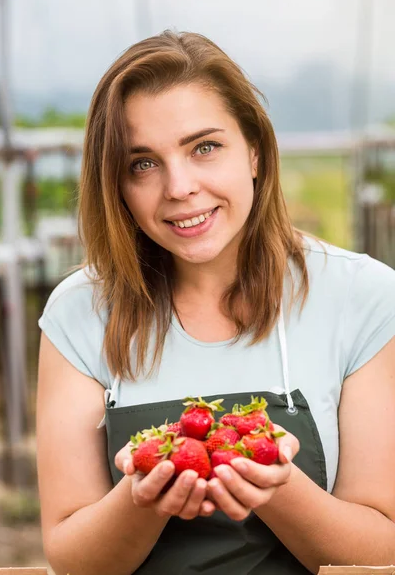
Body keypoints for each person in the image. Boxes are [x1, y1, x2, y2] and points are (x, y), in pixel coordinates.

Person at [36, 30, 395, 575]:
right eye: (142, 163)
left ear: (254, 150)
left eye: (204, 147)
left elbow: (384, 549)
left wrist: (276, 488)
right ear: (116, 184)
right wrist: (140, 501)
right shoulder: (79, 313)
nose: (179, 187)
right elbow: (71, 559)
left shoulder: (363, 297)